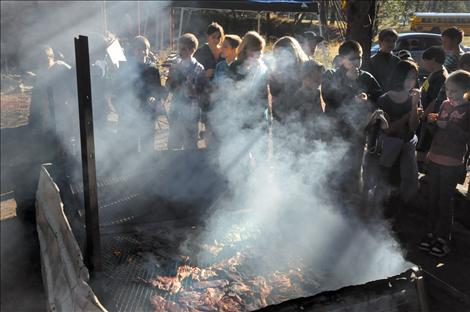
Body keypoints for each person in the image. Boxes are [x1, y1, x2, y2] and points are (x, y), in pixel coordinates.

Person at [14, 45, 74, 221]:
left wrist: (67, 134)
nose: (42, 65)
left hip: (62, 131)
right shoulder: (41, 78)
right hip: (46, 133)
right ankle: (55, 211)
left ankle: (70, 213)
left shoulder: (62, 72)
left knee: (65, 173)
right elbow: (36, 109)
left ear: (52, 57)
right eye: (38, 63)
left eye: (44, 61)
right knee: (52, 171)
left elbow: (70, 105)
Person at [419, 70, 470, 257]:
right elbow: (438, 133)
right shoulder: (444, 105)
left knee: (444, 200)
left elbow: (466, 137)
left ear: (467, 91)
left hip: (452, 161)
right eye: (448, 89)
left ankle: (443, 238)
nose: (450, 94)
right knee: (432, 198)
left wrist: (448, 126)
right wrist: (433, 123)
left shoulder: (468, 110)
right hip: (436, 158)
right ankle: (430, 232)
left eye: (455, 91)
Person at [322, 40, 382, 195]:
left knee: (354, 170)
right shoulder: (331, 75)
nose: (357, 62)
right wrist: (351, 87)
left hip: (358, 132)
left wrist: (367, 98)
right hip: (335, 131)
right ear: (342, 59)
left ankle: (352, 203)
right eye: (352, 58)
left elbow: (379, 98)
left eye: (359, 57)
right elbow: (329, 97)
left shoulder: (367, 77)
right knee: (334, 169)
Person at [376, 60, 422, 207]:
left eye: (414, 78)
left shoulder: (414, 98)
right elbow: (388, 129)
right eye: (408, 77)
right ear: (400, 76)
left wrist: (415, 104)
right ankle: (381, 215)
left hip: (407, 147)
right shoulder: (385, 99)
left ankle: (399, 214)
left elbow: (414, 127)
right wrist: (408, 115)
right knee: (388, 182)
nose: (411, 82)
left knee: (407, 182)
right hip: (389, 148)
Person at [114, 35, 165, 155]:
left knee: (147, 146)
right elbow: (120, 90)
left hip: (148, 113)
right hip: (131, 113)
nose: (141, 52)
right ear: (133, 50)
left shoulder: (153, 70)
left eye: (144, 49)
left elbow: (159, 89)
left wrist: (155, 97)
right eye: (138, 49)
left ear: (148, 50)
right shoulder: (126, 69)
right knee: (130, 147)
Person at [167, 33, 206, 150]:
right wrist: (171, 76)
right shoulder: (176, 65)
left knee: (190, 143)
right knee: (174, 143)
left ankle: (190, 166)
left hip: (191, 111)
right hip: (176, 109)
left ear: (192, 50)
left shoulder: (199, 68)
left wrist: (189, 84)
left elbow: (200, 93)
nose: (180, 52)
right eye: (179, 49)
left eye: (183, 49)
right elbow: (169, 87)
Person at [416, 47, 448, 172]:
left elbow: (436, 100)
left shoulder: (441, 77)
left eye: (425, 60)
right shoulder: (434, 73)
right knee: (422, 144)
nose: (423, 64)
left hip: (429, 118)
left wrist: (425, 113)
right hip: (425, 116)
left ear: (433, 59)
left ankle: (422, 172)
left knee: (424, 145)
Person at [269, 36, 309, 123]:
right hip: (279, 119)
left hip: (301, 119)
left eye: (279, 54)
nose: (277, 58)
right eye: (275, 55)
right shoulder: (275, 72)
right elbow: (274, 99)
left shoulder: (305, 70)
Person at [290, 60, 326, 141]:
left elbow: (319, 117)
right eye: (316, 79)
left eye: (321, 78)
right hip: (303, 139)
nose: (319, 82)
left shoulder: (316, 92)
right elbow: (296, 124)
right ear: (305, 77)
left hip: (315, 138)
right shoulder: (298, 96)